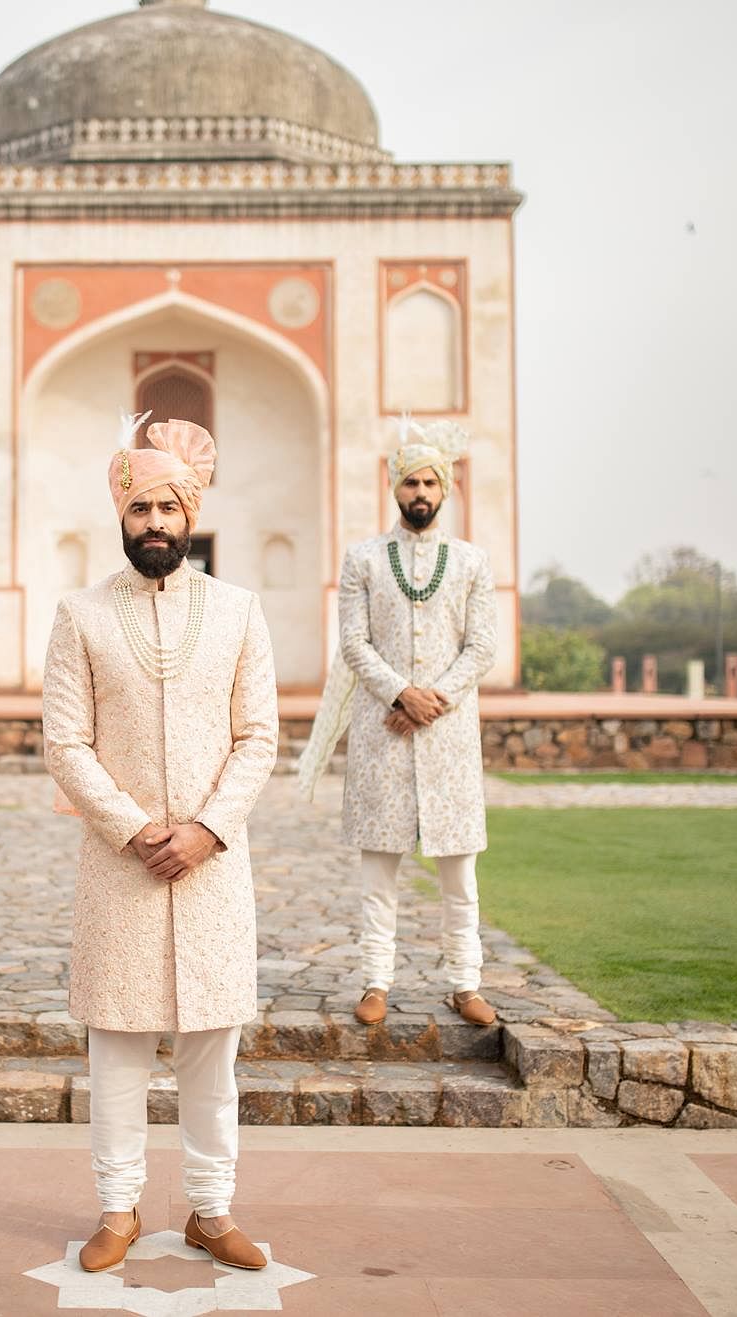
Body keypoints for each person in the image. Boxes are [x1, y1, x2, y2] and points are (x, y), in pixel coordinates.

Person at [41, 413, 277, 1274]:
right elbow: (65, 742)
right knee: (118, 1053)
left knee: (214, 1055)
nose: (154, 524)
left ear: (190, 513)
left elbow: (259, 736)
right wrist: (141, 829)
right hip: (123, 868)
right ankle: (118, 1206)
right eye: (139, 508)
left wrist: (207, 829)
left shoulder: (240, 612)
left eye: (167, 509)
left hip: (213, 869)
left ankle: (213, 1210)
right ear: (121, 513)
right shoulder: (81, 614)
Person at [296, 419, 499, 1029]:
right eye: (411, 481)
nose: (420, 492)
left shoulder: (470, 562)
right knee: (377, 876)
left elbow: (482, 646)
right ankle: (376, 982)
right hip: (384, 731)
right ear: (394, 488)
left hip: (448, 734)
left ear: (447, 489)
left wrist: (433, 698)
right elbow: (354, 644)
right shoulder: (363, 558)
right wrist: (401, 694)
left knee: (459, 879)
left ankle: (466, 983)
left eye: (430, 482)